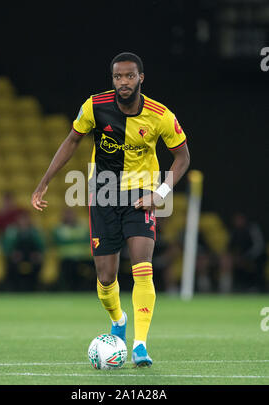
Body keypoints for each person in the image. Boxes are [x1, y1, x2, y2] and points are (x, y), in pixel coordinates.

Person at [31, 52, 190, 367]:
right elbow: (72, 141)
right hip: (102, 193)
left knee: (142, 264)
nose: (124, 82)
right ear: (113, 80)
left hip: (141, 195)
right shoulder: (94, 106)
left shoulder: (160, 115)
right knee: (105, 277)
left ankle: (140, 346)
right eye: (118, 77)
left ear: (141, 78)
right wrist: (44, 181)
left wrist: (160, 193)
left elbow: (183, 157)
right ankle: (118, 319)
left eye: (130, 76)